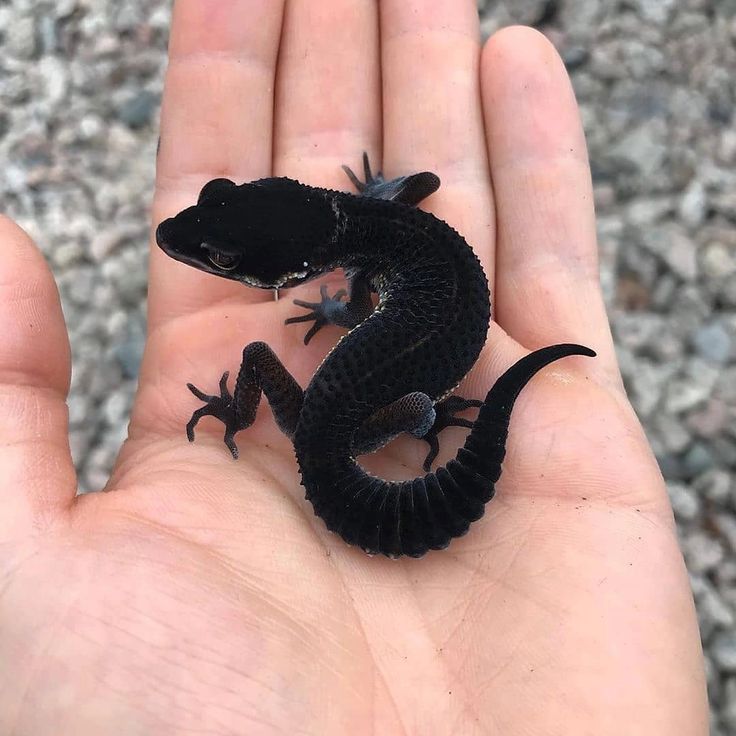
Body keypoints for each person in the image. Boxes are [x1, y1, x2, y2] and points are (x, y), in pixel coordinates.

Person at [0, 2, 708, 733]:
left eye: (222, 261)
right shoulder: (386, 230)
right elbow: (423, 181)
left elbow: (376, 265)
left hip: (354, 425)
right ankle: (420, 415)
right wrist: (365, 258)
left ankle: (392, 415)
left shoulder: (363, 270)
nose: (185, 243)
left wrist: (364, 350)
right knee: (383, 394)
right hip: (355, 408)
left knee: (401, 401)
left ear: (293, 264)